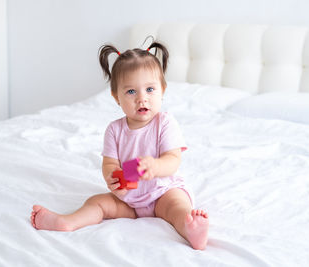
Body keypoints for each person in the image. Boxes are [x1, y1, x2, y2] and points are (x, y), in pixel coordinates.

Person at [30, 40, 209, 250]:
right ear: (116, 97)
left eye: (150, 89)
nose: (142, 98)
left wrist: (155, 167)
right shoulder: (114, 130)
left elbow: (173, 160)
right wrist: (113, 178)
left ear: (162, 90)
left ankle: (192, 230)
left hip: (163, 191)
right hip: (129, 200)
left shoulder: (165, 123)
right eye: (131, 92)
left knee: (178, 207)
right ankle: (67, 222)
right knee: (97, 202)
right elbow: (109, 163)